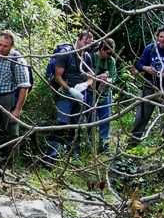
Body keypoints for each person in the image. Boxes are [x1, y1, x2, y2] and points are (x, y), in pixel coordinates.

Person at [129, 25, 164, 146]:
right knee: (141, 117)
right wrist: (146, 68)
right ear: (157, 36)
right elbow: (138, 64)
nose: (162, 39)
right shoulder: (150, 48)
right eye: (160, 36)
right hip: (149, 88)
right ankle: (132, 143)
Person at [45, 30, 94, 163]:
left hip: (79, 95)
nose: (87, 45)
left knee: (76, 125)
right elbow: (57, 76)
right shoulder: (66, 54)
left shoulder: (87, 57)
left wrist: (84, 85)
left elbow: (91, 77)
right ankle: (50, 156)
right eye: (85, 41)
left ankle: (73, 156)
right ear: (78, 39)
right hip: (64, 93)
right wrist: (70, 89)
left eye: (89, 43)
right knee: (62, 123)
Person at [0, 30, 31, 164]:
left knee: (10, 130)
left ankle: (11, 164)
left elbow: (24, 86)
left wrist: (17, 109)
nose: (1, 48)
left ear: (11, 46)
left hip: (7, 96)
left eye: (5, 46)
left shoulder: (16, 59)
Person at [89, 38, 117, 153]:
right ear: (101, 49)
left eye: (111, 53)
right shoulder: (91, 57)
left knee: (105, 118)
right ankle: (89, 143)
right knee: (90, 118)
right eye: (108, 52)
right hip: (91, 92)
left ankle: (104, 143)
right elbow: (86, 74)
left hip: (105, 93)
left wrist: (107, 80)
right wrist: (98, 77)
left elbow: (114, 76)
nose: (109, 55)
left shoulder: (111, 61)